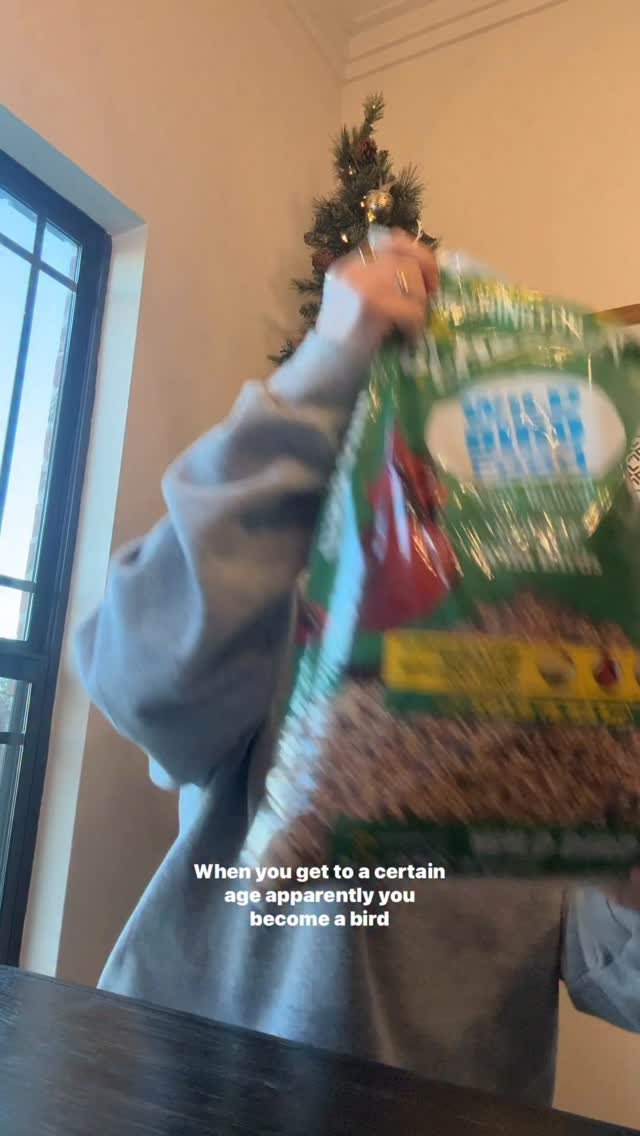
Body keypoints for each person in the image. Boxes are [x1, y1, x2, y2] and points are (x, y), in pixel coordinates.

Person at [75, 231, 640, 1107]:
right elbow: (133, 679)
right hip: (186, 1089)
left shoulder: (563, 678)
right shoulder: (286, 585)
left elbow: (615, 976)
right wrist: (318, 381)